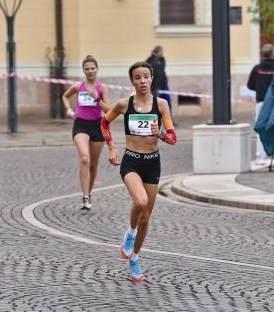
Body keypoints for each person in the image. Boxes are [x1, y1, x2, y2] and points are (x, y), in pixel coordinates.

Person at [100, 61, 177, 281]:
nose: (142, 81)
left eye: (146, 76)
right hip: (131, 161)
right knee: (141, 202)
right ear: (132, 81)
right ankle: (130, 233)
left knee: (146, 217)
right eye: (137, 77)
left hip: (153, 163)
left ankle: (134, 257)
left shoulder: (161, 105)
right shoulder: (125, 104)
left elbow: (172, 138)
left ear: (152, 78)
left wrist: (160, 133)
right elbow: (104, 123)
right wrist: (112, 147)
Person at [62, 55, 110, 210]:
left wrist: (97, 99)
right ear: (83, 71)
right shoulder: (78, 86)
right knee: (84, 158)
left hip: (97, 126)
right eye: (87, 69)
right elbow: (65, 96)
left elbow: (109, 111)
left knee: (93, 165)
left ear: (97, 69)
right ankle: (84, 197)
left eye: (92, 68)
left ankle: (89, 194)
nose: (90, 71)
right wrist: (68, 108)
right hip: (81, 125)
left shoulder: (102, 88)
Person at [247, 43, 274, 165]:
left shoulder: (257, 69)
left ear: (262, 55)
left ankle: (260, 157)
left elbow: (250, 85)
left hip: (261, 103)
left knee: (261, 129)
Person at [146, 45, 177, 126]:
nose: (162, 54)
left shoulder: (162, 60)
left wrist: (157, 58)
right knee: (154, 105)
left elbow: (162, 64)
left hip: (164, 85)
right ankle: (154, 122)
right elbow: (148, 66)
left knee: (168, 103)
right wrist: (152, 56)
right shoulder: (150, 62)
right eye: (161, 52)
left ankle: (170, 121)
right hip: (155, 87)